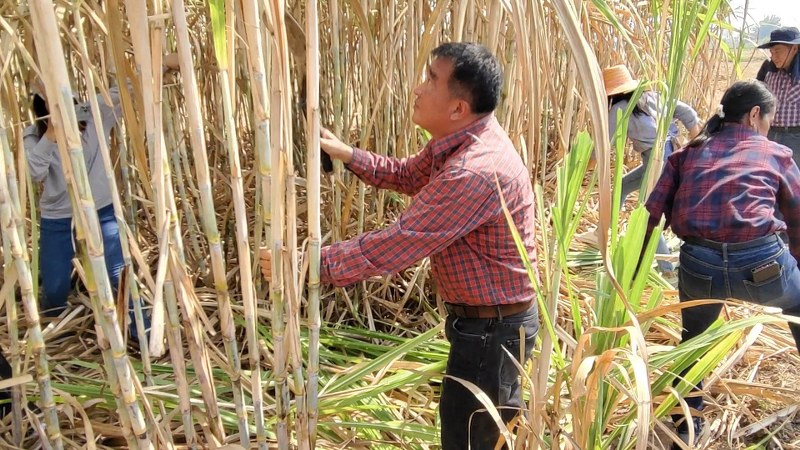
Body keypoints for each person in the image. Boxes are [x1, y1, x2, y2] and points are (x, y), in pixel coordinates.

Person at [260, 42, 539, 450]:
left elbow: (398, 243)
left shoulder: (475, 171)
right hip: (486, 325)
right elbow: (409, 175)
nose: (417, 88)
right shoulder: (460, 141)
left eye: (431, 80)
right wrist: (347, 154)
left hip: (493, 333)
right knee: (476, 432)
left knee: (469, 439)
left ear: (458, 108)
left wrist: (308, 264)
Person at [643, 80, 800, 448]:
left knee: (693, 340)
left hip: (701, 266)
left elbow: (650, 215)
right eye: (768, 120)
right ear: (755, 114)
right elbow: (797, 218)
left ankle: (686, 426)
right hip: (763, 265)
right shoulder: (776, 153)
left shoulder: (687, 154)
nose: (768, 128)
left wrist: (634, 271)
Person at [602, 64, 701, 273]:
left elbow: (603, 144)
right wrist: (697, 141)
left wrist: (584, 166)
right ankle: (604, 231)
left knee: (649, 215)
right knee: (622, 186)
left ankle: (668, 268)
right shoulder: (652, 97)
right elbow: (687, 112)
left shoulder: (620, 108)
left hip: (657, 161)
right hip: (672, 156)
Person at [756, 26, 800, 159]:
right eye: (772, 52)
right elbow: (757, 95)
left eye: (778, 51)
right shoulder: (767, 68)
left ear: (794, 48)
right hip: (769, 135)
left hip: (795, 139)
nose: (774, 57)